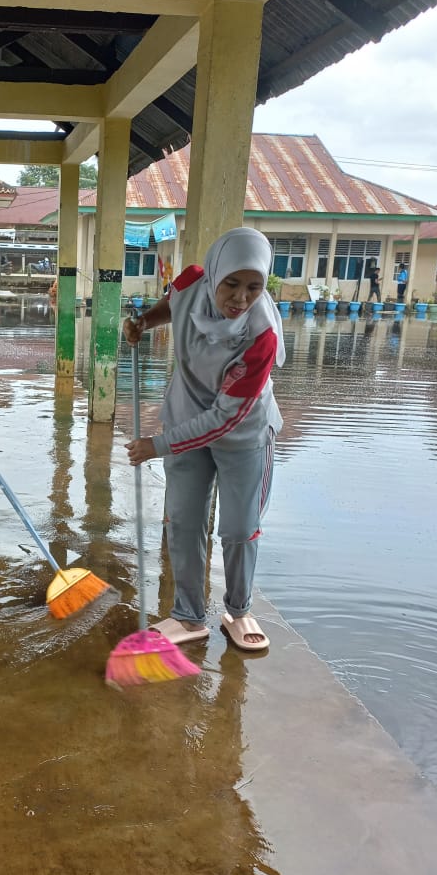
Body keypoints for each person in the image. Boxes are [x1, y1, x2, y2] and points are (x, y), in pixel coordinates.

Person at [123, 226, 284, 652]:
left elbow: (226, 417)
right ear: (214, 274)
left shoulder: (261, 336)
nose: (240, 298)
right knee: (184, 520)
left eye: (254, 287)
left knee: (238, 528)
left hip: (242, 433)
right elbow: (172, 305)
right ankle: (189, 616)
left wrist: (157, 445)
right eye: (231, 283)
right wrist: (144, 322)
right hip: (185, 418)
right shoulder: (191, 281)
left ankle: (238, 609)